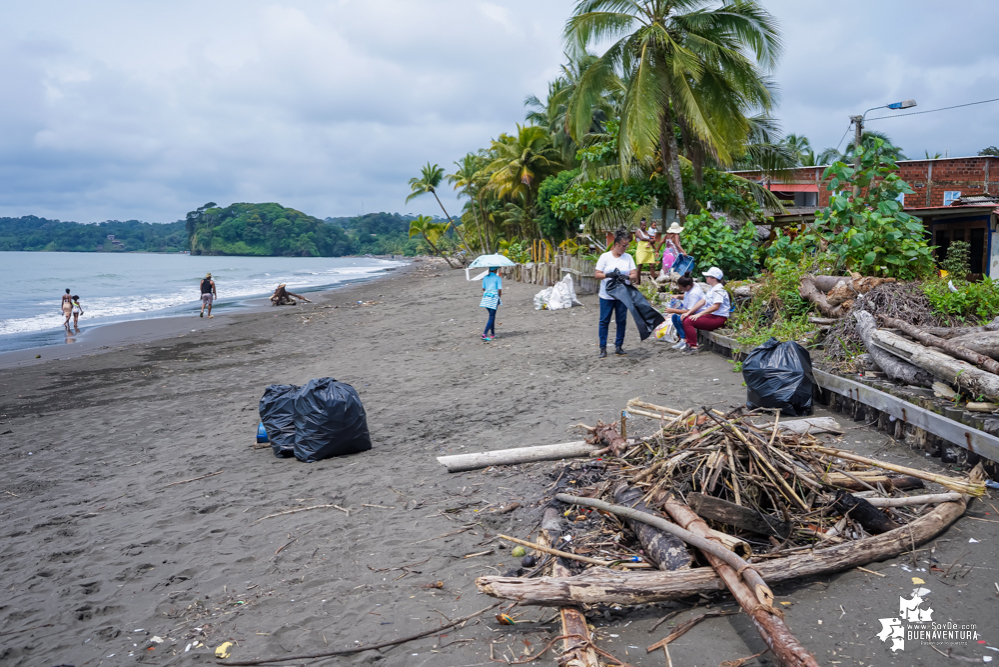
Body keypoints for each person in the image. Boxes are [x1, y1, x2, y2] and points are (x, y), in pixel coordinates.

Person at [594, 230, 638, 358]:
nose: (626, 248)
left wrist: (628, 278)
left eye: (627, 246)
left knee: (621, 320)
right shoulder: (605, 257)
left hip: (622, 294)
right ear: (617, 244)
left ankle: (619, 346)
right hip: (606, 295)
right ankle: (603, 348)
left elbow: (634, 274)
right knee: (604, 321)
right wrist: (607, 275)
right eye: (624, 245)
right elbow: (597, 274)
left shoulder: (628, 257)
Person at [680, 267, 731, 354]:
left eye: (708, 276)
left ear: (714, 278)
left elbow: (716, 307)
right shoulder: (712, 289)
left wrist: (699, 314)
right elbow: (702, 301)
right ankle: (690, 343)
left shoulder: (718, 289)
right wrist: (688, 312)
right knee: (686, 318)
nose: (706, 278)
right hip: (713, 316)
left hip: (720, 318)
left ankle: (693, 346)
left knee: (688, 321)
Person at [660, 272, 706, 352]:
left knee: (680, 319)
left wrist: (672, 310)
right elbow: (686, 295)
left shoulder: (694, 294)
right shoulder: (692, 285)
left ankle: (688, 340)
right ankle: (683, 339)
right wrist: (678, 296)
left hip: (698, 313)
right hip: (691, 311)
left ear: (687, 286)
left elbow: (690, 311)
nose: (680, 289)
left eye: (681, 288)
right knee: (674, 317)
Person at [480, 267, 502, 341]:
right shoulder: (497, 278)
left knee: (492, 316)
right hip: (493, 298)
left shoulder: (485, 277)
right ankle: (484, 334)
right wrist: (499, 297)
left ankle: (492, 333)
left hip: (486, 298)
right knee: (492, 316)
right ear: (495, 270)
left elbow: (483, 288)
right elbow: (499, 289)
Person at [634, 218, 656, 284]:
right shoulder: (638, 231)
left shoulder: (647, 232)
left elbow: (653, 239)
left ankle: (653, 281)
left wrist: (655, 247)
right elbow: (641, 238)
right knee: (640, 265)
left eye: (645, 225)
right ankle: (637, 281)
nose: (644, 226)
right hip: (641, 250)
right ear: (640, 225)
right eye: (643, 225)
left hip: (648, 250)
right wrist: (650, 240)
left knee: (652, 265)